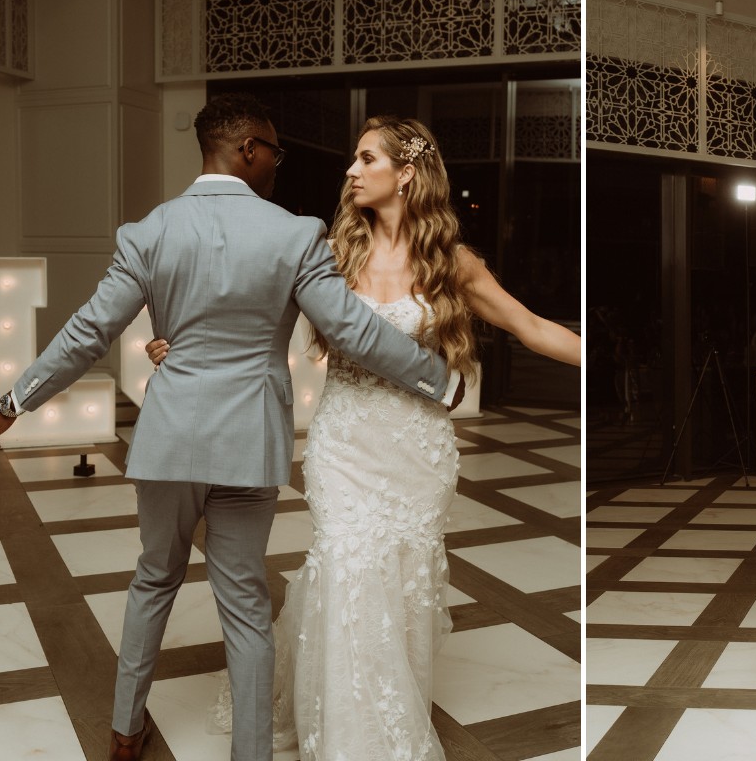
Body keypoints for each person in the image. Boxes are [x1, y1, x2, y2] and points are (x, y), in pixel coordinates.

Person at [0, 94, 461, 761]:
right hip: (248, 445)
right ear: (247, 149)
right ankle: (251, 754)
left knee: (154, 578)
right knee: (243, 602)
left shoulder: (147, 233)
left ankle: (125, 731)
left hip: (171, 438)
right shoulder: (294, 235)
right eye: (274, 151)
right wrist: (440, 379)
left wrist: (11, 403)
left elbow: (88, 334)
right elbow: (351, 330)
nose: (278, 163)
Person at [147, 116, 580, 760]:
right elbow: (241, 305)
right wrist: (178, 343)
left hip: (417, 447)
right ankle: (356, 738)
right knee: (351, 569)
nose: (350, 170)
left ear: (405, 174)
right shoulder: (329, 255)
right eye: (353, 159)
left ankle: (381, 704)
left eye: (366, 158)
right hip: (346, 441)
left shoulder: (451, 263)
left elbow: (530, 325)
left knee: (403, 578)